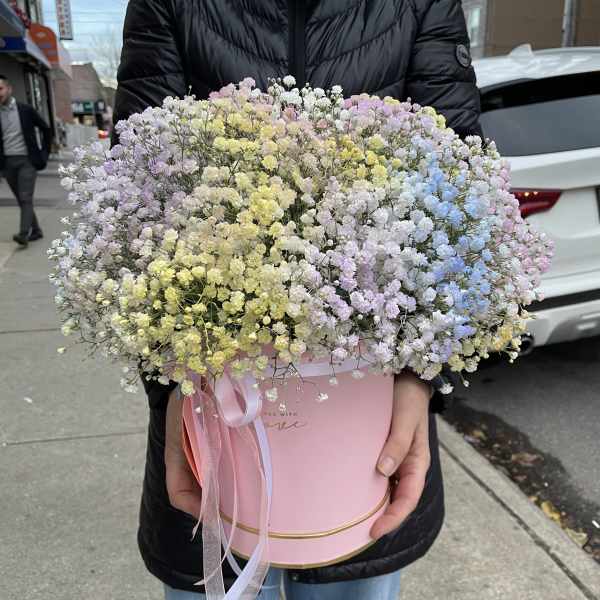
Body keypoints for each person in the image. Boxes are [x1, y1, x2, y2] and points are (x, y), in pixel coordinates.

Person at [113, 1, 482, 598]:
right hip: (215, 421)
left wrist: (424, 376)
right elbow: (138, 193)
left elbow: (460, 185)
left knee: (351, 555)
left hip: (366, 435)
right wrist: (171, 385)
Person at [0, 75, 52, 248]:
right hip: (7, 163)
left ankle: (23, 234)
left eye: (0, 89)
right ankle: (36, 230)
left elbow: (46, 129)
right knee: (22, 200)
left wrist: (44, 153)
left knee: (25, 196)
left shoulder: (25, 110)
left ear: (9, 89)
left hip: (27, 161)